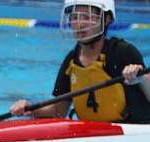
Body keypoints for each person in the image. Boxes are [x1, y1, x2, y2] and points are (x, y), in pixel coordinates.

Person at [10, 0, 150, 123]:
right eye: (74, 17)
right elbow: (59, 111)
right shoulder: (71, 61)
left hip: (132, 132)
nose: (79, 24)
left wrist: (142, 79)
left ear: (106, 20)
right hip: (95, 133)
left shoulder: (123, 52)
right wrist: (30, 109)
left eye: (87, 17)